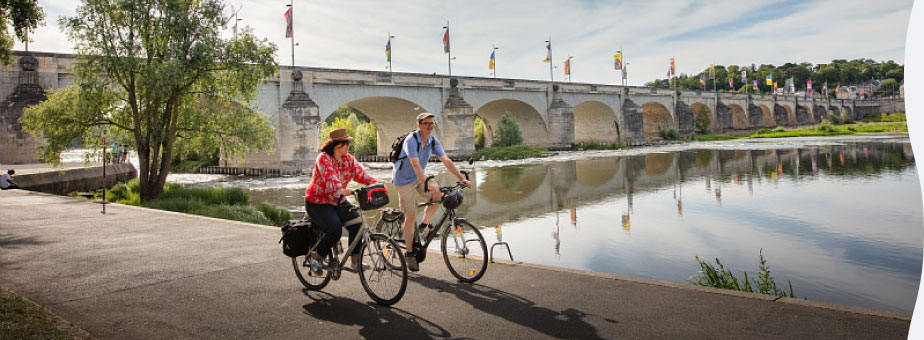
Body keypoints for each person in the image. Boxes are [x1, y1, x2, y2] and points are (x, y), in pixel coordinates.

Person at [392, 112, 471, 271]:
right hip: (403, 180)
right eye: (426, 123)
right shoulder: (411, 141)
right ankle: (408, 254)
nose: (429, 126)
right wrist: (427, 183)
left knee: (438, 195)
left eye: (431, 123)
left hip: (419, 176)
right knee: (410, 215)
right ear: (419, 125)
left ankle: (424, 225)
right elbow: (414, 164)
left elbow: (446, 161)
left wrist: (462, 178)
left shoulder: (433, 141)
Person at [304, 128, 378, 276]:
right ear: (338, 145)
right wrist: (343, 190)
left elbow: (361, 174)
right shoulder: (323, 159)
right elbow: (330, 180)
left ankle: (355, 261)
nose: (349, 146)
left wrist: (375, 185)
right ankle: (316, 257)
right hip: (318, 202)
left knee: (357, 223)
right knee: (335, 230)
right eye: (347, 143)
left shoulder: (348, 159)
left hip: (337, 200)